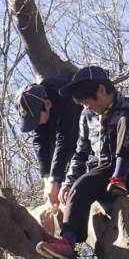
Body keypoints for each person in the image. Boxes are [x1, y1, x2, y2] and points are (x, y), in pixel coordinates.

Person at [35, 65, 129, 259]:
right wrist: (68, 182)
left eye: (87, 102)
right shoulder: (86, 116)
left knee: (126, 119)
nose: (86, 107)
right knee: (81, 185)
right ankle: (67, 243)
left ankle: (120, 177)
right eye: (81, 104)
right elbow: (81, 153)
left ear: (101, 90)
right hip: (105, 171)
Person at [16, 75, 81, 208]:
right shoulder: (37, 105)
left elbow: (65, 140)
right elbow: (39, 141)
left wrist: (54, 179)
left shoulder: (65, 98)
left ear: (47, 104)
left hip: (84, 130)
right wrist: (46, 177)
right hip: (62, 130)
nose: (36, 124)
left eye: (36, 119)